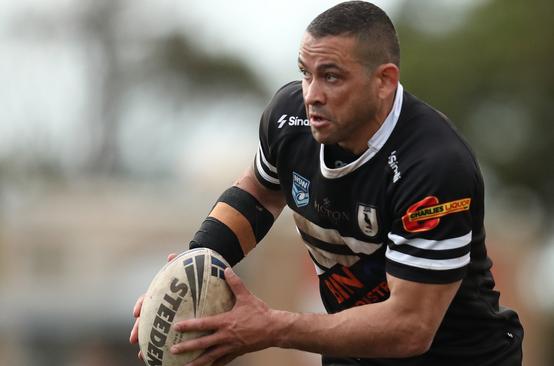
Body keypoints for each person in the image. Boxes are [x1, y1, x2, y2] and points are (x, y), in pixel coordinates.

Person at [129, 1, 524, 365]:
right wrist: (193, 266)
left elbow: (410, 327)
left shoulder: (433, 166)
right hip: (353, 353)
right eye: (306, 73)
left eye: (331, 77)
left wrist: (272, 326)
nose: (312, 95)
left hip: (459, 356)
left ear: (384, 81)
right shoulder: (289, 120)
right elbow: (260, 192)